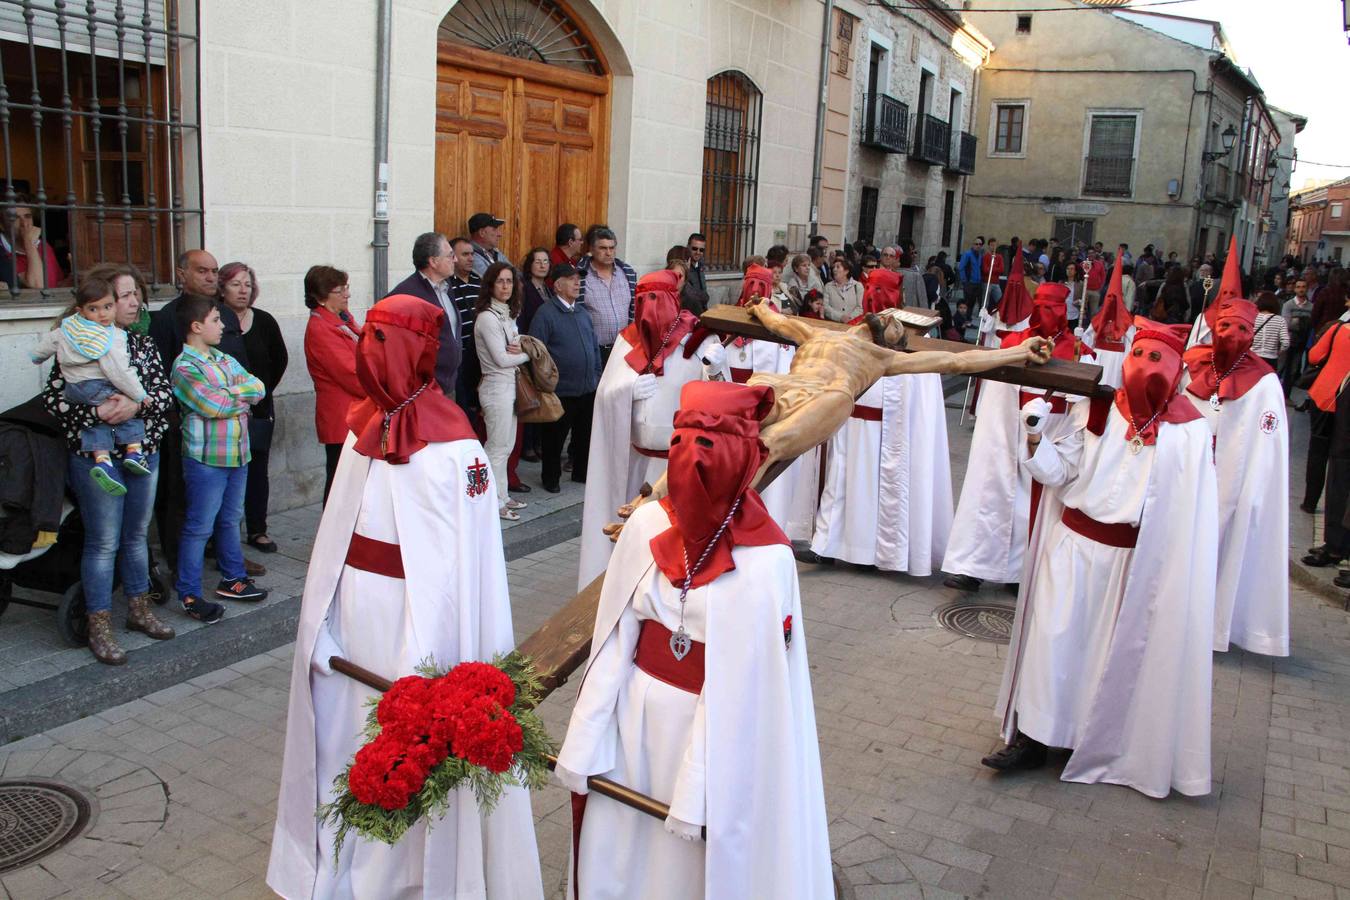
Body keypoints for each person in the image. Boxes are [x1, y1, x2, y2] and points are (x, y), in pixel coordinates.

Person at [267, 295, 544, 900]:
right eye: (368, 334)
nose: (370, 350)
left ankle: (417, 879)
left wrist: (442, 652)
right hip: (355, 618)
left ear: (422, 349)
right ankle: (342, 867)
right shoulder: (361, 427)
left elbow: (469, 569)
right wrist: (323, 622)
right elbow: (337, 539)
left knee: (413, 749)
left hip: (420, 625)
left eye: (385, 339)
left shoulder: (459, 449)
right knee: (348, 737)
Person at [555, 380, 832, 900]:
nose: (691, 459)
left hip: (711, 734)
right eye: (681, 441)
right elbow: (613, 638)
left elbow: (752, 691)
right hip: (634, 724)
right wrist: (587, 738)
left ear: (743, 455)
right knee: (625, 849)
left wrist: (698, 784)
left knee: (687, 864)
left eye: (709, 444)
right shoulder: (644, 526)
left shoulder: (768, 560)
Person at [986, 323, 1218, 800]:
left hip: (1135, 565)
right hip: (1073, 547)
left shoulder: (1190, 432)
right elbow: (1059, 473)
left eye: (1158, 359)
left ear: (1176, 371)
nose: (1143, 366)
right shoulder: (1094, 409)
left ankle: (1088, 742)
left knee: (1104, 660)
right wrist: (1034, 439)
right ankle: (1032, 738)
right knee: (1054, 643)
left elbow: (1189, 515)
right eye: (1138, 354)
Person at [41, 265, 175, 665]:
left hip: (142, 453)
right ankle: (99, 624)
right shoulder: (74, 343)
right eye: (124, 296)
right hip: (95, 458)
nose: (134, 302)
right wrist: (99, 411)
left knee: (136, 537)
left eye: (136, 294)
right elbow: (55, 401)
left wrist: (137, 403)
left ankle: (138, 610)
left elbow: (164, 395)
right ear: (99, 306)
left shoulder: (141, 344)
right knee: (103, 542)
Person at [577, 269, 726, 589]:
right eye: (644, 299)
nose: (651, 307)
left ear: (674, 299)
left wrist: (716, 369)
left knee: (668, 536)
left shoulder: (699, 339)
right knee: (631, 533)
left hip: (676, 464)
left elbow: (722, 401)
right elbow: (604, 394)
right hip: (633, 463)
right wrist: (627, 390)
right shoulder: (627, 339)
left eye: (658, 298)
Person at [944, 283, 1091, 593]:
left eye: (1053, 307)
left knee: (1031, 508)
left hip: (1048, 437)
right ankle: (973, 567)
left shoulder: (1078, 353)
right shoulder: (1013, 343)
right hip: (1005, 433)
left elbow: (1079, 408)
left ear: (1065, 311)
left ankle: (1021, 574)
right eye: (1040, 305)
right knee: (990, 497)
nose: (1044, 313)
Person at [806, 270, 953, 574]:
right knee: (841, 483)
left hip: (890, 433)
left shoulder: (913, 342)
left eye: (881, 290)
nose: (874, 295)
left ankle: (885, 554)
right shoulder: (852, 332)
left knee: (882, 490)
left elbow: (920, 395)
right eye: (870, 288)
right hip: (850, 422)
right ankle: (827, 546)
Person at [1182, 297, 1289, 657]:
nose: (1231, 335)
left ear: (1252, 333)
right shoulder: (1193, 365)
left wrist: (1254, 489)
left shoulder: (1264, 383)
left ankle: (1209, 627)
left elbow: (1268, 442)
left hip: (1229, 483)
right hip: (1188, 479)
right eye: (1224, 326)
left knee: (1220, 551)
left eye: (1242, 329)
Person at [171, 295, 267, 624]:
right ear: (196, 327)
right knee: (199, 526)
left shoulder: (222, 359)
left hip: (238, 455)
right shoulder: (184, 367)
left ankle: (233, 578)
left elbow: (258, 386)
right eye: (215, 319)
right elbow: (214, 407)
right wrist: (238, 398)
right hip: (207, 460)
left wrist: (233, 396)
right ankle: (189, 592)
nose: (223, 325)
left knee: (230, 520)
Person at [31, 277, 150, 494]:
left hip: (76, 389)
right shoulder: (110, 337)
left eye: (107, 307)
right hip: (96, 389)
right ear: (82, 310)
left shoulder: (71, 329)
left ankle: (102, 460)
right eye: (94, 309)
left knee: (98, 421)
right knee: (121, 399)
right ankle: (133, 450)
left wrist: (35, 357)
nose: (103, 314)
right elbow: (118, 372)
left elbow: (47, 344)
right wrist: (139, 396)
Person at [219, 261, 289, 554]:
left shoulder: (264, 320)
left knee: (258, 469)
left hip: (260, 408)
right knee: (228, 473)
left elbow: (280, 358)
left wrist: (262, 393)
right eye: (236, 284)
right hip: (226, 411)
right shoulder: (216, 321)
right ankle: (224, 535)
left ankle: (257, 529)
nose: (243, 290)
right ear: (222, 288)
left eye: (247, 284)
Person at [529, 262, 602, 493]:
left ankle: (581, 473)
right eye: (571, 279)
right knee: (554, 438)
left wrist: (596, 374)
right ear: (558, 285)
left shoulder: (582, 312)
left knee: (584, 436)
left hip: (587, 387)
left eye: (578, 279)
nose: (577, 283)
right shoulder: (546, 313)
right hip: (560, 390)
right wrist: (546, 383)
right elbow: (536, 352)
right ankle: (551, 478)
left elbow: (593, 346)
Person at [474, 262, 530, 521]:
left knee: (506, 446)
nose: (506, 286)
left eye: (509, 281)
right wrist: (530, 354)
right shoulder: (487, 317)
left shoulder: (507, 314)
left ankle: (503, 495)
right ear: (490, 285)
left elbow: (514, 351)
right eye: (500, 281)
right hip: (496, 386)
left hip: (509, 385)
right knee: (495, 448)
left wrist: (521, 351)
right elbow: (502, 359)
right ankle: (492, 502)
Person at [302, 265, 363, 503]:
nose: (347, 294)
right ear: (321, 296)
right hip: (342, 416)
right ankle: (333, 536)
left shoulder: (341, 319)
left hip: (354, 414)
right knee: (341, 483)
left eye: (346, 288)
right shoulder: (321, 328)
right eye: (340, 290)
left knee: (351, 482)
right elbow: (351, 374)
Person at [386, 232, 461, 398]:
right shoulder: (407, 294)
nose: (455, 260)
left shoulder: (446, 288)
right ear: (433, 261)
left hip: (447, 387)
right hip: (422, 392)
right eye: (450, 255)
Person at [1301, 297, 1350, 526]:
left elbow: (1314, 356)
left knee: (1318, 451)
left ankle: (1310, 501)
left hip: (1325, 397)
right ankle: (1338, 519)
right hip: (1345, 405)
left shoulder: (1338, 329)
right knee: (1341, 462)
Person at [577, 226, 638, 365]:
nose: (609, 253)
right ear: (591, 250)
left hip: (623, 348)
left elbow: (634, 309)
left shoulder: (627, 272)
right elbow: (576, 312)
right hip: (594, 350)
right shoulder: (580, 276)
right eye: (603, 248)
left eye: (612, 248)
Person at [1081, 245, 1135, 388]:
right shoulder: (1099, 319)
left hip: (1118, 359)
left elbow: (1131, 343)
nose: (1111, 302)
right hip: (1098, 357)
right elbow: (1087, 340)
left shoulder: (1127, 323)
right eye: (1109, 298)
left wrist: (1126, 362)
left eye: (1114, 299)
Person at [448, 236, 482, 415]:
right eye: (465, 254)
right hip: (460, 358)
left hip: (481, 355)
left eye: (472, 254)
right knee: (463, 408)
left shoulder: (479, 281)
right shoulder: (447, 285)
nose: (471, 258)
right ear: (453, 257)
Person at [1, 194, 63, 290]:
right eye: (15, 218)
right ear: (2, 224)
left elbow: (57, 283)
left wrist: (72, 278)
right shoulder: (2, 251)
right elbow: (38, 285)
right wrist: (29, 243)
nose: (24, 223)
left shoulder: (44, 246)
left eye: (28, 216)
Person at [1282, 277, 1315, 394]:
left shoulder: (1311, 307)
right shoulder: (1288, 305)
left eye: (1303, 287)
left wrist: (1297, 321)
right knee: (1282, 368)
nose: (1301, 289)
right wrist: (1301, 322)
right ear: (1295, 289)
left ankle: (1286, 394)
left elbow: (1310, 324)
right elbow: (1286, 323)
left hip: (1301, 341)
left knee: (1293, 368)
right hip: (1288, 340)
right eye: (1298, 287)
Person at [1250, 291, 1290, 370]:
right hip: (1271, 359)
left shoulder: (1252, 317)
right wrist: (1278, 352)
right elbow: (1286, 343)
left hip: (1253, 357)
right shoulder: (1280, 320)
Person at [518, 245, 552, 333]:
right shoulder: (523, 289)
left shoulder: (550, 290)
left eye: (546, 261)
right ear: (530, 265)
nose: (542, 266)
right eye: (538, 262)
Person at [823, 257, 863, 322]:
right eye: (834, 267)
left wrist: (849, 318)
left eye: (838, 267)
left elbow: (860, 308)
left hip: (852, 325)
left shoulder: (857, 286)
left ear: (846, 271)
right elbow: (825, 307)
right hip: (833, 326)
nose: (834, 269)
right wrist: (840, 317)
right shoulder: (828, 286)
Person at [467, 211, 506, 276]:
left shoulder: (496, 252)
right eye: (494, 229)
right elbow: (492, 280)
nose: (500, 234)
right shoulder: (471, 255)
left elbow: (516, 273)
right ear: (482, 233)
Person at [682, 232, 710, 314]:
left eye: (701, 250)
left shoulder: (701, 264)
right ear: (688, 247)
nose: (698, 252)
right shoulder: (683, 267)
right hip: (689, 315)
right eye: (694, 248)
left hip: (702, 312)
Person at [958, 236, 984, 303]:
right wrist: (964, 281)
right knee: (968, 304)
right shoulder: (967, 254)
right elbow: (961, 267)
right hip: (969, 283)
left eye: (980, 244)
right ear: (973, 245)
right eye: (976, 244)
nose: (978, 246)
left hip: (978, 284)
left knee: (979, 303)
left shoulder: (980, 255)